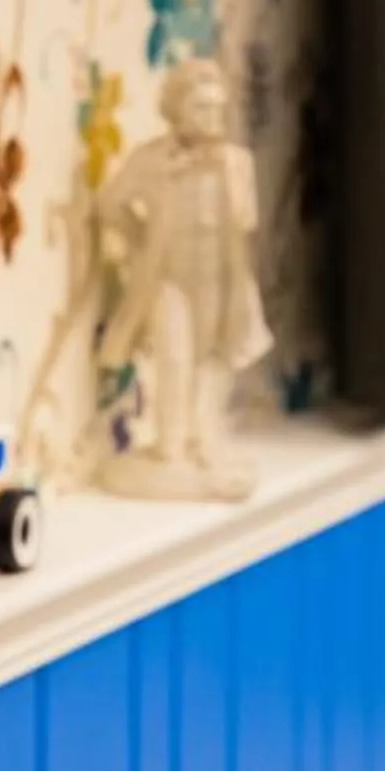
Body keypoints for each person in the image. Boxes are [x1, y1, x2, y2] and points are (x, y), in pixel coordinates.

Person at [93, 58, 270, 501]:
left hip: (217, 277)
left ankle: (200, 439)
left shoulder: (237, 163)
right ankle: (168, 446)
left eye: (217, 108)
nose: (212, 118)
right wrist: (140, 240)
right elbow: (110, 204)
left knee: (211, 356)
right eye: (201, 108)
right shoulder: (151, 160)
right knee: (174, 355)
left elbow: (245, 224)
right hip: (168, 277)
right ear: (176, 110)